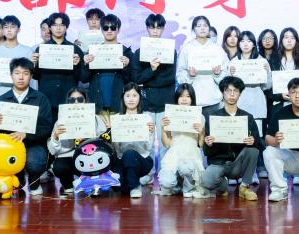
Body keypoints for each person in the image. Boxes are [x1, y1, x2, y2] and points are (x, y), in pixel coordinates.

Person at [0, 57, 54, 195]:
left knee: (35, 163)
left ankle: (34, 182)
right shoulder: (1, 100)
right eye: (17, 73)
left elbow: (47, 127)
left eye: (25, 73)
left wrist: (26, 134)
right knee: (7, 163)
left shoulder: (41, 99)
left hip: (33, 144)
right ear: (11, 75)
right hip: (9, 145)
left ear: (31, 76)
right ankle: (17, 178)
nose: (21, 77)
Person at [201, 77, 261, 200]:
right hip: (219, 163)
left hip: (239, 164)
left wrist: (253, 141)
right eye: (228, 91)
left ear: (240, 94)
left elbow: (259, 145)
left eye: (236, 91)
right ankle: (222, 186)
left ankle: (244, 187)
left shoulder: (248, 117)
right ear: (222, 93)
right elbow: (207, 152)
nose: (232, 94)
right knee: (206, 182)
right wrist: (208, 143)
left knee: (253, 150)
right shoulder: (213, 118)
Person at [48, 87, 109, 195]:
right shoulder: (60, 122)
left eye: (80, 99)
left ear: (85, 101)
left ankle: (94, 184)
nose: (76, 103)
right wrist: (56, 137)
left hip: (91, 156)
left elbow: (104, 142)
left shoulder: (96, 118)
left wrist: (108, 130)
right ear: (68, 102)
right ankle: (67, 185)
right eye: (72, 100)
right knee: (59, 167)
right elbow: (54, 151)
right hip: (69, 156)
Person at [133, 13, 177, 160]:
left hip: (166, 102)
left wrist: (147, 80)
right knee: (147, 141)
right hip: (146, 103)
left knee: (166, 141)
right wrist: (151, 70)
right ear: (147, 29)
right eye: (152, 27)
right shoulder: (139, 53)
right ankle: (149, 171)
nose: (155, 31)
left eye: (159, 28)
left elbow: (170, 78)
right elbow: (136, 78)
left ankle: (165, 170)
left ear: (163, 29)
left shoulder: (171, 51)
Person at [83, 13, 138, 116]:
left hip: (120, 104)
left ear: (118, 30)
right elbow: (84, 78)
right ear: (101, 30)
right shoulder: (92, 52)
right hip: (97, 103)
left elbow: (133, 80)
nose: (109, 31)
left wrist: (126, 67)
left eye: (113, 28)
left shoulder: (127, 53)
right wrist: (86, 64)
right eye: (105, 28)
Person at [159, 84, 206, 197]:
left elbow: (200, 144)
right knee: (166, 182)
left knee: (186, 168)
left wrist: (202, 132)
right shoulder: (169, 116)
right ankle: (177, 185)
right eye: (181, 96)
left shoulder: (200, 117)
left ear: (192, 99)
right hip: (174, 153)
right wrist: (163, 128)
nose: (184, 99)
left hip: (191, 153)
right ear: (177, 98)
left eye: (188, 96)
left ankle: (188, 187)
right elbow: (166, 144)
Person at [33, 12, 85, 115]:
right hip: (47, 97)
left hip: (69, 99)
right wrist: (34, 64)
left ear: (66, 27)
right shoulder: (41, 49)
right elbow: (35, 76)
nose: (58, 28)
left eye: (61, 25)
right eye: (55, 25)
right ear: (50, 27)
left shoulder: (75, 49)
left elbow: (82, 77)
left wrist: (77, 65)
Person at [111, 84, 157, 198]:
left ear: (139, 98)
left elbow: (148, 148)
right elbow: (116, 150)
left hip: (142, 159)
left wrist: (150, 132)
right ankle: (131, 183)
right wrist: (113, 134)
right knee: (118, 186)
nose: (131, 99)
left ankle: (135, 186)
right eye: (128, 96)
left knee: (130, 154)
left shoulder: (146, 118)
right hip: (122, 160)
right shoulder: (117, 118)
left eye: (134, 95)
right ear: (123, 98)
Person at [176, 16, 227, 108]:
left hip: (213, 100)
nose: (202, 28)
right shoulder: (187, 48)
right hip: (192, 100)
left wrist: (217, 75)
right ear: (193, 29)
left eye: (205, 26)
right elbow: (179, 74)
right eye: (199, 26)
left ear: (209, 28)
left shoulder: (217, 48)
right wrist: (190, 76)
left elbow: (226, 73)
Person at [226, 31, 270, 136]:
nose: (245, 44)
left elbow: (268, 86)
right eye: (242, 41)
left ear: (254, 44)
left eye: (249, 41)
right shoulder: (234, 62)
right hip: (239, 101)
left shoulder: (262, 61)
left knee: (256, 137)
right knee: (239, 135)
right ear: (239, 44)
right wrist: (230, 75)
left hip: (256, 102)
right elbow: (227, 87)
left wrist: (267, 73)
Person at [0, 15, 35, 102]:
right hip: (0, 93)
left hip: (22, 95)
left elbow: (31, 77)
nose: (9, 30)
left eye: (12, 27)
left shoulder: (28, 51)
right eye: (6, 27)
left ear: (18, 29)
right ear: (3, 30)